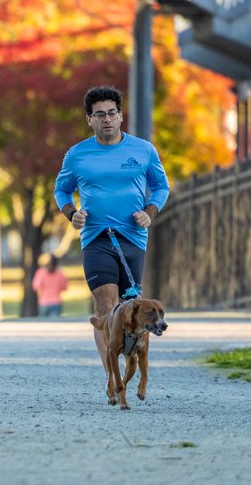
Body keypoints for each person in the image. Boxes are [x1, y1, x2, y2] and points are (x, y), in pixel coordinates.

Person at [53, 85, 170, 365]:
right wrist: (72, 214)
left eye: (112, 113)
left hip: (133, 237)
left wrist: (150, 212)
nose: (107, 119)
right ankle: (111, 372)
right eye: (100, 114)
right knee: (106, 304)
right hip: (96, 238)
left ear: (120, 116)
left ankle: (130, 361)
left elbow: (161, 186)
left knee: (132, 308)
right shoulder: (77, 155)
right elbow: (61, 190)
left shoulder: (143, 150)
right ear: (89, 120)